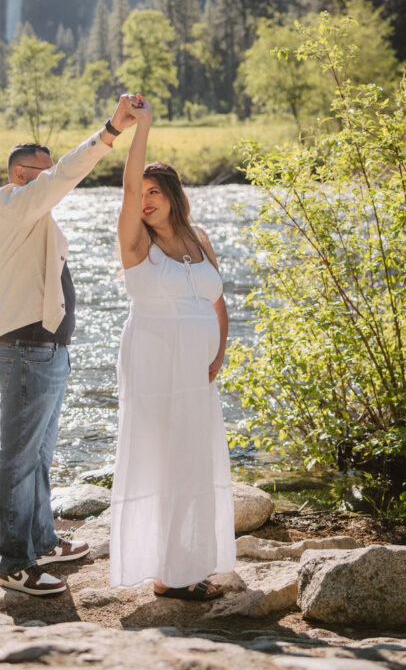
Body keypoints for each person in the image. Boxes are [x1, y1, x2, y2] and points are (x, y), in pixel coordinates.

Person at [0, 95, 137, 596]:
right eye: (43, 173)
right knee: (18, 457)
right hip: (26, 349)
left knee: (40, 457)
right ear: (21, 175)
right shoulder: (10, 205)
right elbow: (66, 176)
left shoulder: (38, 216)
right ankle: (13, 564)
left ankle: (43, 540)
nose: (54, 181)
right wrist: (111, 131)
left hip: (48, 352)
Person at [110, 95, 236, 599]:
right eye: (139, 192)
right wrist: (143, 128)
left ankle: (188, 563)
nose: (144, 199)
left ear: (173, 195)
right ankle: (165, 573)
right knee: (161, 458)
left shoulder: (199, 237)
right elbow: (126, 186)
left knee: (194, 459)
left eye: (154, 191)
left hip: (196, 370)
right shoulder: (136, 242)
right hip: (154, 362)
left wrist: (219, 351)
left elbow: (219, 299)